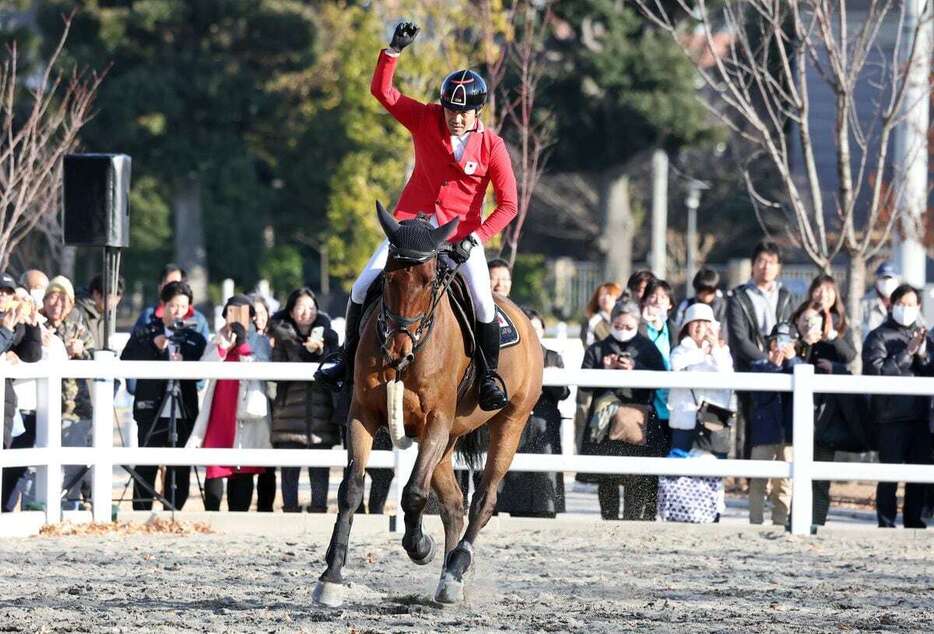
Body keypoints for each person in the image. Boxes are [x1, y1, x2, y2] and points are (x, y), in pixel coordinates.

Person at [314, 21, 519, 412]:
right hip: (411, 228)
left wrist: (476, 239)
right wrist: (393, 51)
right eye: (451, 109)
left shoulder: (493, 145)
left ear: (478, 110)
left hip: (460, 237)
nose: (455, 117)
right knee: (361, 287)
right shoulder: (426, 119)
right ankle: (346, 360)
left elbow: (509, 205)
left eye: (464, 111)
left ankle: (489, 376)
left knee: (483, 302)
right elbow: (383, 92)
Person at [121, 281, 206, 510]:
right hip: (151, 407)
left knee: (180, 464)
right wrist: (154, 347)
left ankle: (173, 509)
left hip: (183, 408)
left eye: (182, 306)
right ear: (163, 306)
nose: (177, 311)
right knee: (147, 461)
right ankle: (141, 510)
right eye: (172, 306)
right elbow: (126, 360)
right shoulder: (146, 331)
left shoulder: (195, 338)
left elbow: (205, 367)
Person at [578, 300, 666, 520]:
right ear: (611, 323)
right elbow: (584, 385)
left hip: (637, 419)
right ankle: (608, 520)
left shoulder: (647, 347)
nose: (623, 331)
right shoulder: (597, 348)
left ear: (637, 323)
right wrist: (604, 369)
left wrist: (635, 368)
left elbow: (661, 378)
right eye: (618, 326)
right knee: (606, 476)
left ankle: (632, 520)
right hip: (603, 420)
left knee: (635, 475)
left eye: (628, 327)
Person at [187, 295, 271, 512]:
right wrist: (223, 347)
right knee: (215, 466)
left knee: (243, 468)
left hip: (246, 412)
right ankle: (211, 512)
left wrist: (243, 346)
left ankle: (238, 515)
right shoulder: (218, 338)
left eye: (243, 313)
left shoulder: (259, 340)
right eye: (231, 312)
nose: (236, 318)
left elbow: (263, 367)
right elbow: (203, 368)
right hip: (220, 410)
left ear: (252, 317)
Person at [863, 283, 934, 528]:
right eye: (901, 304)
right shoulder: (877, 336)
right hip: (890, 416)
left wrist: (923, 355)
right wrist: (907, 353)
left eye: (911, 305)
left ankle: (914, 520)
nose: (906, 309)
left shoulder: (925, 335)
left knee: (918, 473)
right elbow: (877, 374)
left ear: (919, 307)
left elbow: (930, 372)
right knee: (889, 474)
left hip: (920, 416)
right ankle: (886, 521)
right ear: (891, 305)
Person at [791, 278, 861, 525]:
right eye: (819, 289)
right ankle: (794, 519)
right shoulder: (800, 318)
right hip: (799, 406)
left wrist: (831, 336)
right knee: (795, 470)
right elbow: (794, 357)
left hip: (828, 411)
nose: (823, 295)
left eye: (829, 290)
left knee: (820, 471)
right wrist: (806, 341)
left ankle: (817, 521)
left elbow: (850, 356)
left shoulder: (842, 325)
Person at [269, 289, 340, 513]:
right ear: (291, 311)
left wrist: (326, 348)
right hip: (289, 412)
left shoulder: (327, 335)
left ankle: (319, 507)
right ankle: (289, 508)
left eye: (311, 308)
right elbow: (275, 372)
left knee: (320, 469)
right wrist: (295, 347)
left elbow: (335, 369)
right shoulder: (281, 337)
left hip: (321, 413)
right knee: (289, 469)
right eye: (301, 307)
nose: (306, 313)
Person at [498, 308, 570, 518]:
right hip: (516, 424)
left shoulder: (553, 357)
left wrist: (550, 377)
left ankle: (546, 510)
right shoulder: (508, 358)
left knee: (545, 476)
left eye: (536, 327)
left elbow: (564, 392)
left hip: (543, 423)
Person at [727, 241, 793, 457]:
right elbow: (739, 339)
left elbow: (791, 330)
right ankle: (749, 477)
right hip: (751, 368)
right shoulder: (738, 297)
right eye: (762, 261)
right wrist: (767, 361)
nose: (766, 266)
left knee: (781, 422)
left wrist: (782, 359)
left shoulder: (785, 296)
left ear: (778, 267)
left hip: (782, 367)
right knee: (751, 422)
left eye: (772, 262)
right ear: (753, 265)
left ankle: (778, 477)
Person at [41, 276, 97, 510]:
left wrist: (81, 351)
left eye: (64, 298)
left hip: (74, 407)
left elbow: (96, 359)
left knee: (74, 461)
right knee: (39, 463)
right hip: (42, 406)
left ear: (72, 303)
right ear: (44, 300)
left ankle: (71, 505)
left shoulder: (78, 325)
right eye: (53, 296)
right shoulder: (36, 324)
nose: (58, 303)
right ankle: (39, 504)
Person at [747, 322, 800, 526]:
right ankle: (755, 522)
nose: (781, 345)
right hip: (764, 432)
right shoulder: (759, 367)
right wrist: (773, 367)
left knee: (785, 483)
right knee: (758, 481)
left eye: (786, 341)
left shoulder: (799, 366)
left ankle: (780, 523)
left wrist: (791, 360)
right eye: (777, 340)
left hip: (789, 435)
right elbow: (760, 397)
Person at [667, 303, 734, 454]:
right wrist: (702, 353)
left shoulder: (722, 350)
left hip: (712, 419)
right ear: (687, 327)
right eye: (695, 322)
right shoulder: (680, 350)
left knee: (712, 469)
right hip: (684, 417)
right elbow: (676, 365)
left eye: (705, 323)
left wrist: (715, 347)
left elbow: (727, 373)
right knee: (680, 466)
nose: (699, 327)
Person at [0, 274, 43, 508]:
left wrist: (32, 325)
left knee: (7, 463)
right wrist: (6, 330)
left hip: (6, 405)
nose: (3, 296)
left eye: (8, 292)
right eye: (0, 291)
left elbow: (32, 355)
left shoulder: (12, 322)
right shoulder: (6, 325)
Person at [640, 279, 676, 448]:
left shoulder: (674, 329)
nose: (657, 300)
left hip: (671, 399)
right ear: (644, 301)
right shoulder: (638, 327)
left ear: (670, 304)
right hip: (646, 400)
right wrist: (642, 323)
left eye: (663, 297)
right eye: (652, 296)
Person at [248, 293, 276, 512]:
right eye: (253, 313)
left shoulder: (276, 335)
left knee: (269, 464)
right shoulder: (245, 337)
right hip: (250, 403)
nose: (258, 317)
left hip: (273, 403)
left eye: (261, 312)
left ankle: (265, 507)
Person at [133, 264, 210, 341]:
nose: (173, 288)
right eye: (168, 283)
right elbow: (134, 347)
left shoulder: (199, 320)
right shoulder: (148, 316)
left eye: (177, 283)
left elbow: (205, 350)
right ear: (160, 287)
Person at [74, 273, 125, 350]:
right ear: (96, 294)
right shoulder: (78, 314)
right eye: (111, 297)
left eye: (118, 298)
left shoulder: (106, 316)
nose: (115, 302)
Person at [860, 262, 899, 339]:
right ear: (876, 280)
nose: (886, 282)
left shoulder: (904, 303)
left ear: (897, 281)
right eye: (883, 278)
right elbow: (856, 331)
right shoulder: (863, 304)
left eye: (890, 278)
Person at [580, 282, 624, 348]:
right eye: (602, 295)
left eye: (609, 294)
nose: (605, 298)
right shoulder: (592, 321)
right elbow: (588, 346)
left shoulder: (626, 319)